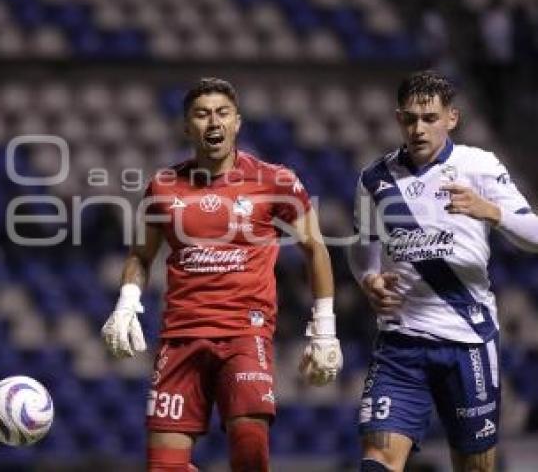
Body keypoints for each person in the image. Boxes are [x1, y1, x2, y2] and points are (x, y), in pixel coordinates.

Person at [101, 78, 343, 472]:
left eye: (222, 113)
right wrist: (127, 303)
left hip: (245, 334)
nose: (213, 122)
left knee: (249, 451)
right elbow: (141, 255)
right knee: (163, 467)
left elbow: (315, 248)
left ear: (237, 123)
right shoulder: (162, 187)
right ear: (186, 127)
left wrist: (324, 329)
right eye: (202, 114)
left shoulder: (275, 181)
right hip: (180, 338)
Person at [348, 70, 538, 472]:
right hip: (400, 344)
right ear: (399, 118)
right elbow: (362, 246)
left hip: (467, 342)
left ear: (451, 118)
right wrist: (369, 279)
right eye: (411, 118)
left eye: (430, 118)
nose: (419, 128)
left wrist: (491, 212)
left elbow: (535, 235)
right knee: (377, 460)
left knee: (475, 467)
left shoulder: (480, 166)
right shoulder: (374, 180)